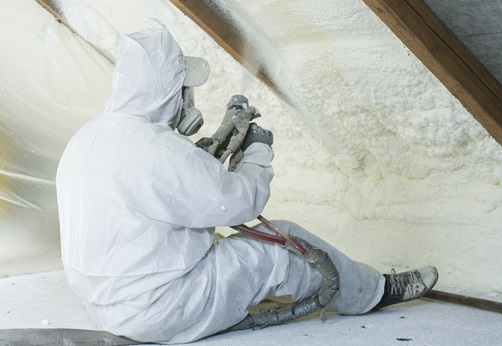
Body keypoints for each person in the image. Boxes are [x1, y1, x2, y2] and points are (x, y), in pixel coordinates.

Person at [55, 20, 438, 344]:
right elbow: (241, 203)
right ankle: (375, 293)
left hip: (105, 306)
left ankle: (368, 290)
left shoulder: (88, 138)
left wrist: (199, 158)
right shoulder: (161, 151)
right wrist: (257, 153)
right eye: (183, 87)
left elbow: (154, 194)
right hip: (162, 308)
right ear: (169, 90)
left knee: (226, 248)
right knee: (285, 243)